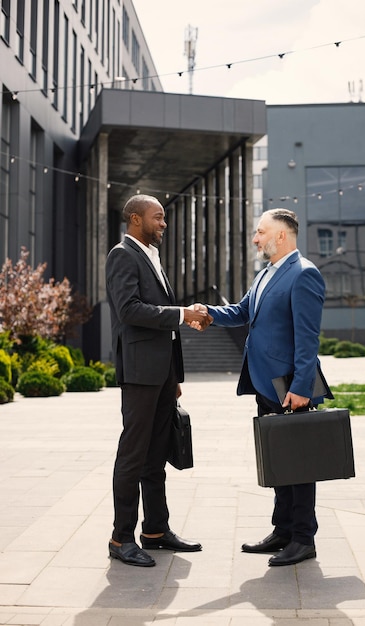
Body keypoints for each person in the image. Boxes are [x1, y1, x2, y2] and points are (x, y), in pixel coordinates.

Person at [193, 208, 333, 566]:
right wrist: (205, 312)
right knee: (279, 460)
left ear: (281, 236)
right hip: (266, 384)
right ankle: (283, 530)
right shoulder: (265, 274)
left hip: (291, 387)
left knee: (300, 465)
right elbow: (242, 312)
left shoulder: (304, 275)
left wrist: (302, 387)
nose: (255, 238)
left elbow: (308, 339)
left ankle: (304, 538)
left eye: (260, 232)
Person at [105, 194, 211, 567]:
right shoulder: (122, 255)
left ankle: (155, 530)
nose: (163, 223)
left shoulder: (151, 255)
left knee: (156, 453)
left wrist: (174, 376)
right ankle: (121, 538)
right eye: (158, 217)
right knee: (133, 454)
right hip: (138, 373)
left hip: (162, 373)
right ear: (135, 219)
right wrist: (182, 313)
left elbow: (159, 323)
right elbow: (130, 310)